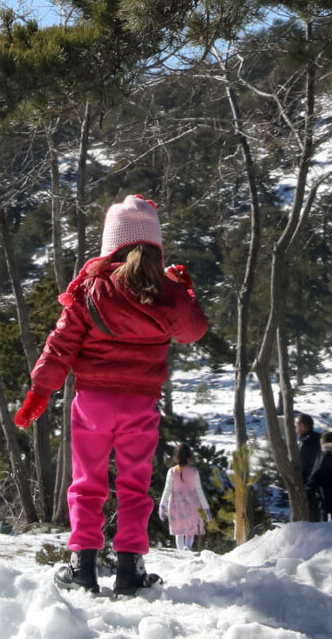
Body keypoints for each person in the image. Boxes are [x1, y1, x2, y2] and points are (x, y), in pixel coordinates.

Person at [13, 195, 209, 597]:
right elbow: (192, 333)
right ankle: (130, 569)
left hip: (92, 402)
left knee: (87, 483)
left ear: (111, 242)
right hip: (140, 403)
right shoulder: (167, 290)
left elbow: (60, 345)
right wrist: (185, 295)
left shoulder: (90, 288)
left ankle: (82, 566)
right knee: (135, 485)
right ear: (153, 244)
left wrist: (40, 389)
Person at [158, 442, 211, 552]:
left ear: (176, 456)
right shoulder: (194, 471)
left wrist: (162, 504)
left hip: (176, 504)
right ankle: (188, 547)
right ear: (189, 456)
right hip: (192, 504)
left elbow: (167, 489)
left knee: (179, 530)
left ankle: (181, 551)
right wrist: (206, 507)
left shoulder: (172, 471)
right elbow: (199, 490)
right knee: (190, 530)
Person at [294, 414, 326, 521]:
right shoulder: (320, 439)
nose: (296, 430)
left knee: (313, 519)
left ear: (302, 426)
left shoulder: (306, 442)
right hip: (323, 487)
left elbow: (305, 465)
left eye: (296, 426)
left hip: (311, 487)